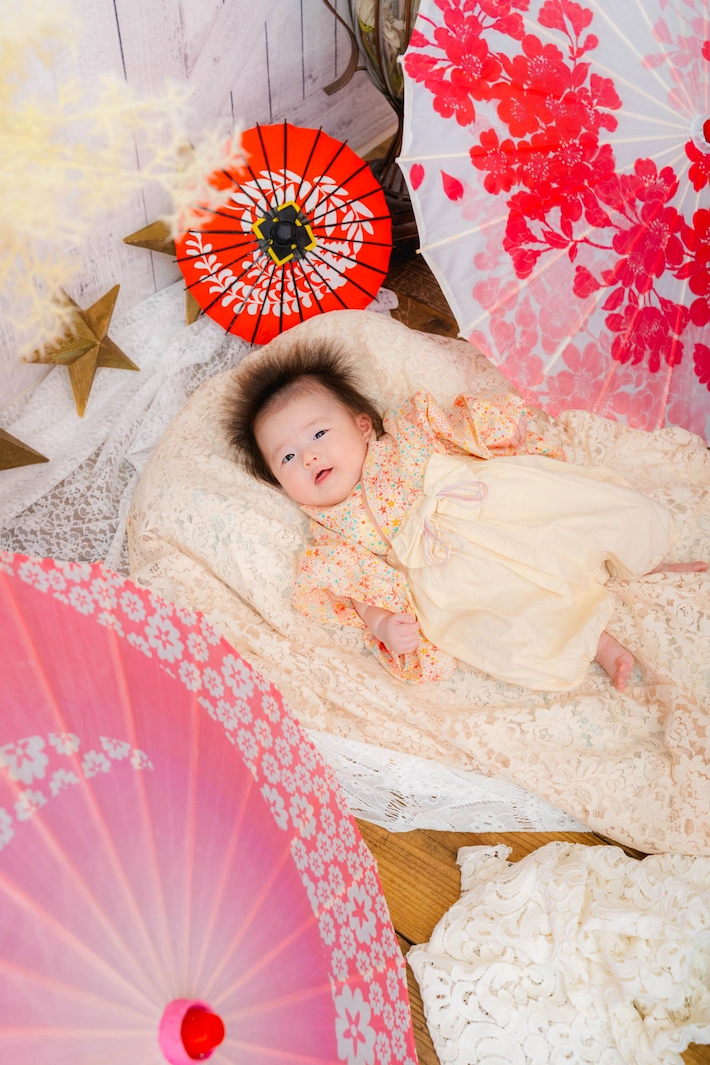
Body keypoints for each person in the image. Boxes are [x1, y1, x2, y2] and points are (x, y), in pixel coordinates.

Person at [225, 340, 705, 692]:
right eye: (287, 458)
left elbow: (459, 428)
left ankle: (638, 558)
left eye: (318, 434)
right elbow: (360, 590)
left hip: (490, 505)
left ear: (363, 426)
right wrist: (382, 625)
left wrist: (496, 429)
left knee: (571, 518)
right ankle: (599, 643)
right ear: (279, 482)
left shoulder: (406, 435)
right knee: (513, 616)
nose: (309, 457)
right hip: (449, 572)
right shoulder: (331, 534)